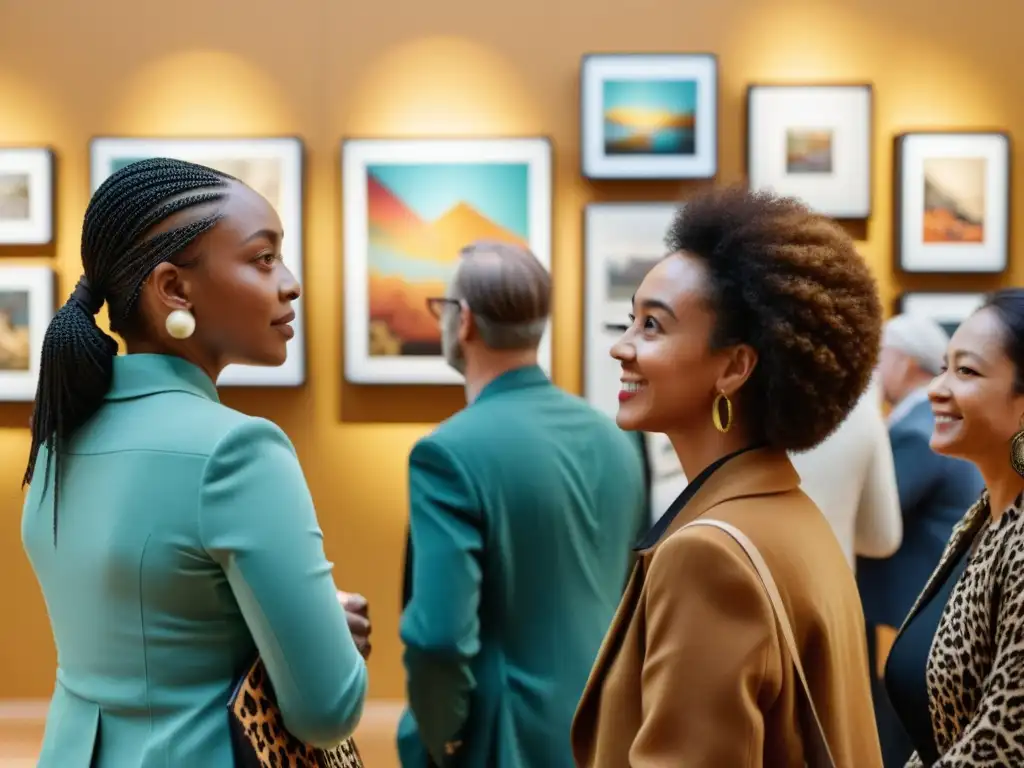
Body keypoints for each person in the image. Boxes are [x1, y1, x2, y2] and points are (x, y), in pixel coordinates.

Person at [20, 158, 369, 767]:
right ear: (174, 290)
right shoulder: (239, 451)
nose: (289, 283)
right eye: (263, 258)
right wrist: (329, 631)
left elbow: (149, 622)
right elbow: (326, 712)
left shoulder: (55, 439)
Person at [570, 186, 885, 767]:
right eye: (629, 320)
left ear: (735, 366)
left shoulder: (708, 556)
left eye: (653, 327)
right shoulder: (790, 512)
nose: (622, 347)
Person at [398, 241, 647, 768]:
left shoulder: (446, 453)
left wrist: (438, 740)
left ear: (463, 321)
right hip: (608, 733)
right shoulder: (616, 439)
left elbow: (440, 638)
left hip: (503, 743)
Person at [885, 289, 1024, 766]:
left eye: (966, 371)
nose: (935, 389)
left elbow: (999, 750)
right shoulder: (983, 516)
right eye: (943, 366)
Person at [859, 313, 984, 766]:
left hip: (904, 616)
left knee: (893, 741)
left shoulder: (917, 429)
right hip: (916, 613)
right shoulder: (922, 423)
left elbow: (874, 518)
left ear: (904, 360)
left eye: (881, 355)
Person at [790, 376, 903, 567]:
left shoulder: (735, 398)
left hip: (742, 578)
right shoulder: (861, 409)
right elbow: (882, 539)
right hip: (828, 584)